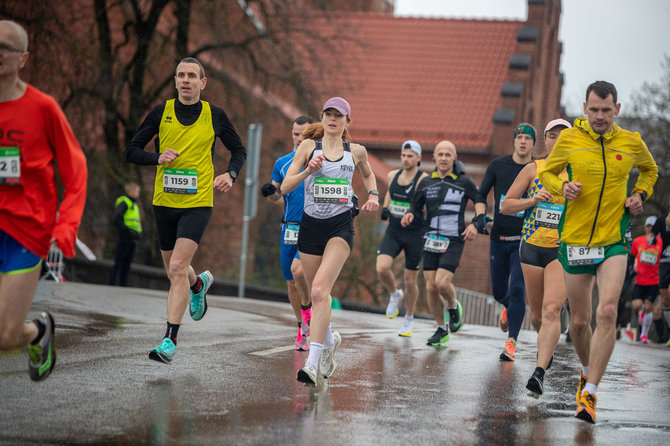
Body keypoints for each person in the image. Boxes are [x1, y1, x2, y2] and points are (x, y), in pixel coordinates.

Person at [539, 80, 658, 424]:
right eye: (594, 110)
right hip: (575, 240)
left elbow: (650, 170)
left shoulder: (631, 142)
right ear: (585, 108)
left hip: (613, 240)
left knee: (606, 312)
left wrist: (640, 194)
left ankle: (590, 392)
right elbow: (546, 171)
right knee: (579, 322)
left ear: (617, 109)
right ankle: (587, 369)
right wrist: (563, 186)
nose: (600, 116)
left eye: (607, 110)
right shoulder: (570, 141)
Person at [126, 57, 246, 363]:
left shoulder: (214, 115)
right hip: (164, 202)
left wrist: (230, 174)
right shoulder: (160, 113)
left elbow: (238, 150)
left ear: (202, 83)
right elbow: (132, 151)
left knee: (177, 267)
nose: (186, 80)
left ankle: (169, 340)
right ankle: (198, 284)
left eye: (192, 75)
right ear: (176, 81)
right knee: (175, 271)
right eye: (181, 75)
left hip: (198, 202)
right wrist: (157, 159)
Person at [0, 20, 87, 381]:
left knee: (4, 335)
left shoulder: (43, 108)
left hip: (25, 231)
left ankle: (38, 331)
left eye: (6, 47)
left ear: (23, 59)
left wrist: (65, 226)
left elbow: (75, 169)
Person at [281, 97, 379, 385]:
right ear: (321, 119)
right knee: (314, 293)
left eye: (339, 115)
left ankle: (312, 363)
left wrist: (373, 195)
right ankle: (329, 339)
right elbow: (286, 185)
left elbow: (370, 176)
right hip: (310, 226)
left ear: (347, 122)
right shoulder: (308, 147)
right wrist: (309, 170)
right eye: (328, 114)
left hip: (340, 226)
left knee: (322, 290)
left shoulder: (356, 152)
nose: (333, 119)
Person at [501, 118, 571, 398]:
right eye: (552, 136)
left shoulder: (578, 173)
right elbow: (506, 205)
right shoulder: (533, 169)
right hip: (530, 247)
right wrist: (532, 201)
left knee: (552, 309)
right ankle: (548, 345)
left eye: (563, 136)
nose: (557, 141)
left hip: (561, 250)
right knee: (538, 317)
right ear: (545, 140)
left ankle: (538, 373)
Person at [401, 141, 476, 346]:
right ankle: (441, 328)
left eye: (448, 155)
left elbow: (480, 201)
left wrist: (476, 224)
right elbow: (415, 206)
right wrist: (409, 214)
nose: (443, 158)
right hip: (431, 239)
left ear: (454, 157)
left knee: (442, 283)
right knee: (431, 287)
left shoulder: (464, 182)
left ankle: (453, 306)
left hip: (453, 239)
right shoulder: (426, 183)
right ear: (434, 157)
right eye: (440, 154)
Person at [473, 123, 535, 360]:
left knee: (517, 289)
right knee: (500, 291)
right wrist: (480, 215)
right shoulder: (498, 165)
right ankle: (509, 309)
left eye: (527, 139)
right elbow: (480, 194)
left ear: (532, 144)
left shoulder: (536, 169)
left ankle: (512, 342)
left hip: (524, 238)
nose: (522, 142)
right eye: (519, 137)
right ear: (514, 141)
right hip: (499, 236)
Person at [261, 115, 315, 350]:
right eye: (295, 133)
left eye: (304, 134)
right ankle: (302, 327)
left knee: (300, 272)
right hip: (289, 228)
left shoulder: (320, 161)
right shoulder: (282, 163)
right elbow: (277, 196)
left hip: (313, 227)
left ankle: (312, 317)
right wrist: (270, 192)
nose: (299, 138)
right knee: (292, 282)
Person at [377, 140, 427, 336]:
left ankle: (409, 318)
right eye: (403, 155)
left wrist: (414, 213)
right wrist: (385, 207)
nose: (406, 159)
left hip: (414, 234)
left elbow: (426, 206)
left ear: (418, 158)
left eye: (410, 156)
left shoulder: (423, 180)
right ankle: (394, 293)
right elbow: (390, 191)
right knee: (382, 268)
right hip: (394, 231)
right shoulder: (393, 175)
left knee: (410, 280)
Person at [630, 216, 662, 344]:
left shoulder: (661, 241)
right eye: (648, 226)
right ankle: (642, 311)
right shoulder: (638, 241)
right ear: (645, 227)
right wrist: (633, 266)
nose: (650, 228)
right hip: (639, 280)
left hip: (654, 280)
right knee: (636, 305)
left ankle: (643, 336)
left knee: (649, 306)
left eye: (652, 226)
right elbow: (632, 256)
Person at [108, 182, 142, 286]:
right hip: (125, 237)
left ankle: (123, 284)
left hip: (132, 238)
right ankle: (112, 283)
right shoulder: (125, 202)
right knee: (119, 261)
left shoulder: (134, 204)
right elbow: (116, 219)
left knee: (127, 263)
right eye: (137, 191)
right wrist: (127, 231)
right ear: (131, 191)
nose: (138, 194)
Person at [651, 199, 670, 347]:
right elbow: (653, 236)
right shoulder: (662, 219)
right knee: (665, 299)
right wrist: (652, 242)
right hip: (665, 260)